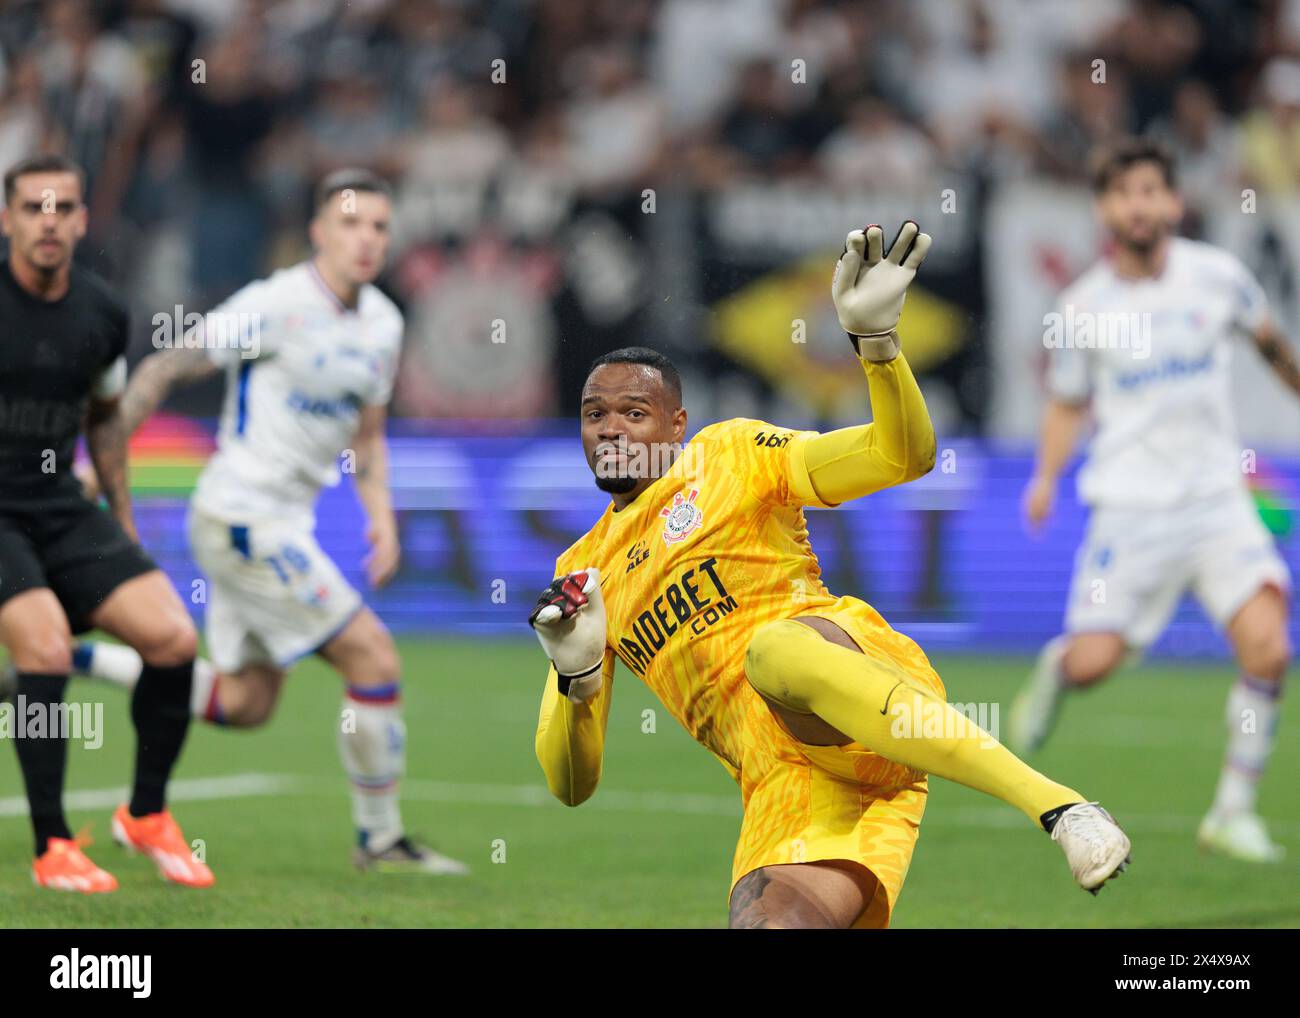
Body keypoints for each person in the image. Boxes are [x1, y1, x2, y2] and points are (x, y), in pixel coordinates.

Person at [529, 221, 1130, 929]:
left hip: (850, 685)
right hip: (787, 785)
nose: (611, 429)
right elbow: (571, 786)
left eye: (635, 412)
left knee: (771, 652)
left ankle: (1060, 807)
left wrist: (878, 349)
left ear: (676, 425)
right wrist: (576, 677)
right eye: (594, 414)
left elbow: (898, 456)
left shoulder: (727, 454)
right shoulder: (582, 573)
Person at [51, 169, 467, 875]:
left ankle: (71, 657)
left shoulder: (383, 325)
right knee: (373, 657)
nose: (366, 239)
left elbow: (367, 437)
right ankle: (380, 840)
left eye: (378, 226)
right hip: (242, 517)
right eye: (351, 223)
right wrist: (103, 459)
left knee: (245, 704)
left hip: (281, 524)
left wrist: (381, 522)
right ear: (317, 231)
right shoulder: (276, 304)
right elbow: (164, 369)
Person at [1011, 139, 1299, 863]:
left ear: (1173, 201)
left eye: (1151, 190)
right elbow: (1066, 403)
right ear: (1105, 209)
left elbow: (1271, 344)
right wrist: (1045, 478)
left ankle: (1232, 812)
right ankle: (1058, 669)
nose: (1139, 204)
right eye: (1124, 193)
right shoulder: (1082, 306)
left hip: (1215, 502)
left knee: (1269, 645)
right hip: (1130, 511)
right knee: (1094, 665)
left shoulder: (1219, 277)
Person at [0, 153, 210, 892]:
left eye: (62, 208)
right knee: (47, 648)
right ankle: (53, 843)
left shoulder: (103, 312)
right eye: (32, 208)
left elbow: (105, 420)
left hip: (61, 506)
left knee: (174, 637)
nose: (48, 221)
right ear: (7, 220)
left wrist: (120, 519)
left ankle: (145, 815)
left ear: (83, 219)